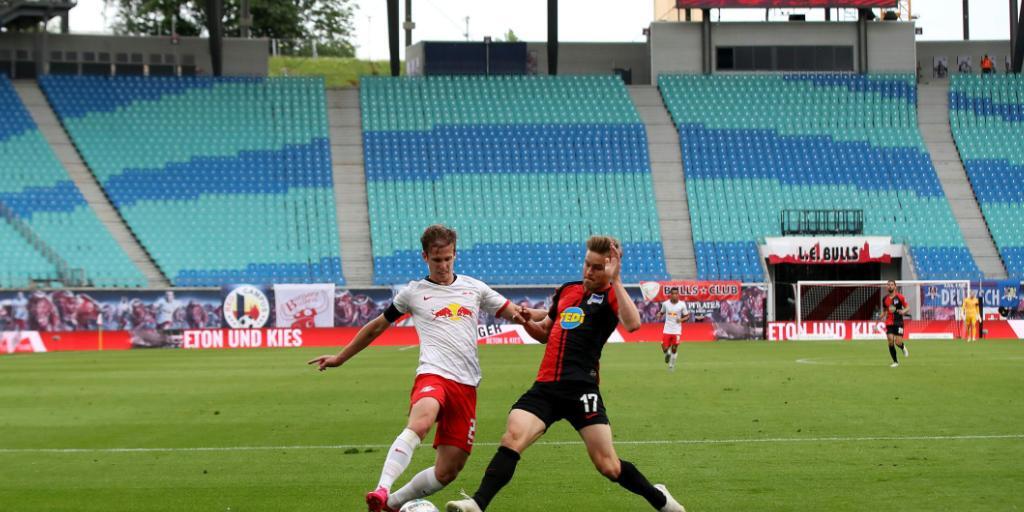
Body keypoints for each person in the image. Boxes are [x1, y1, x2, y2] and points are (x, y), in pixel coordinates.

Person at [446, 236, 686, 512]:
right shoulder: (568, 291)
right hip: (546, 387)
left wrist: (617, 281)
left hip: (582, 389)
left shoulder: (611, 296)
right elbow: (546, 331)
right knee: (512, 437)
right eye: (587, 264)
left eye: (597, 267)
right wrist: (525, 320)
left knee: (608, 465)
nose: (588, 271)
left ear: (609, 269)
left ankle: (660, 499)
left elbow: (633, 324)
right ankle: (478, 503)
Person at [307, 225, 531, 512]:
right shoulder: (413, 293)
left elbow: (519, 314)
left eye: (448, 258)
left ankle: (391, 504)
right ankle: (382, 488)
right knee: (421, 421)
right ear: (425, 257)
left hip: (466, 386)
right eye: (437, 260)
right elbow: (377, 326)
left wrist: (552, 317)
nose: (443, 265)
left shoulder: (475, 288)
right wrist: (341, 357)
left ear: (455, 255)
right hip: (433, 374)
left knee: (448, 471)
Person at [655, 288, 690, 371]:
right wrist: (659, 314)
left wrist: (681, 320)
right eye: (673, 293)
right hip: (667, 329)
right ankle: (667, 354)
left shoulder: (682, 304)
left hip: (677, 330)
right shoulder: (665, 304)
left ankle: (671, 366)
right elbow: (662, 312)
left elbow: (687, 316)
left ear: (678, 295)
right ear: (670, 294)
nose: (675, 295)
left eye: (676, 294)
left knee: (674, 349)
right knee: (664, 347)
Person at [883, 280, 910, 367]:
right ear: (887, 287)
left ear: (895, 286)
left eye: (892, 285)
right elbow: (884, 311)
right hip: (889, 322)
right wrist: (878, 319)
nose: (890, 286)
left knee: (898, 342)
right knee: (890, 340)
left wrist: (903, 311)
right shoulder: (885, 299)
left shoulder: (900, 297)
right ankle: (895, 362)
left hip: (899, 322)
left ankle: (902, 347)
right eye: (888, 285)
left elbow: (907, 307)